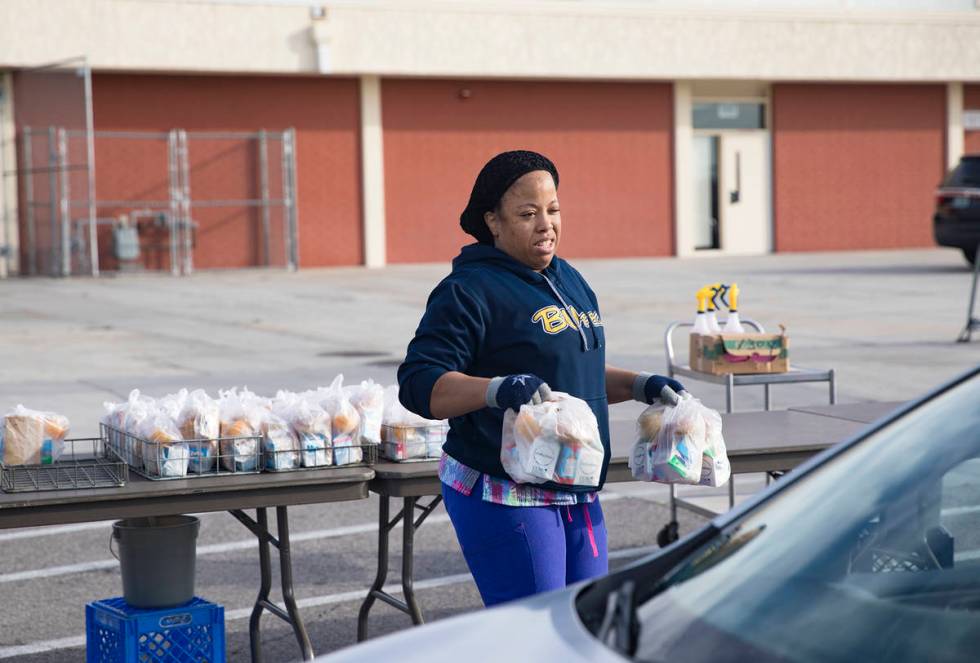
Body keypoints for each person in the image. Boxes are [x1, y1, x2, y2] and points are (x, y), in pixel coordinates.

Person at [398, 150, 684, 607]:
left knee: (584, 620)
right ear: (493, 221)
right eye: (528, 214)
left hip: (575, 481)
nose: (546, 224)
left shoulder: (567, 277)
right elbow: (419, 382)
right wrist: (496, 390)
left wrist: (637, 384)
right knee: (535, 635)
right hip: (504, 491)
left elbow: (569, 379)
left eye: (553, 210)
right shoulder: (467, 291)